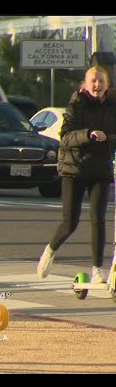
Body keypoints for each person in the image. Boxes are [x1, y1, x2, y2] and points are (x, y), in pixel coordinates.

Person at [37, 66, 116, 284]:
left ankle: (97, 270)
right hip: (75, 169)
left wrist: (107, 138)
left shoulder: (112, 106)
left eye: (101, 81)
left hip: (100, 169)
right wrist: (88, 135)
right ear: (85, 84)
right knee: (70, 222)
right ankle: (50, 250)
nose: (97, 85)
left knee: (98, 219)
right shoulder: (76, 104)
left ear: (107, 84)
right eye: (93, 81)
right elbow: (65, 137)